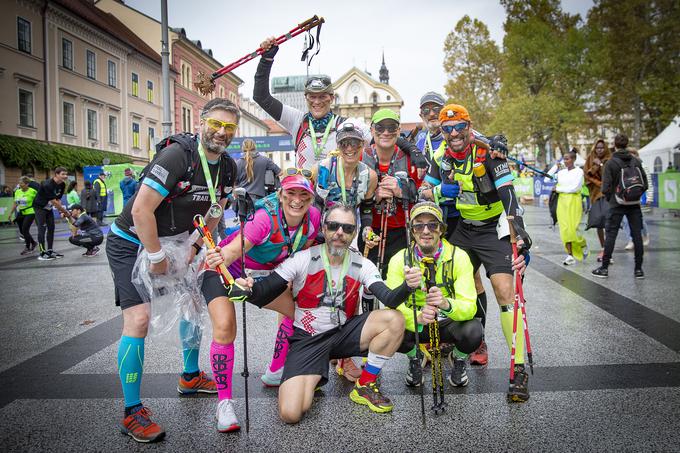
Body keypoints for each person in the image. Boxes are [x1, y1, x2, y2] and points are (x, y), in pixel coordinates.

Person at [105, 98, 239, 443]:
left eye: (229, 127)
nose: (221, 133)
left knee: (192, 304)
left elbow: (215, 210)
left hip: (178, 241)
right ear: (201, 122)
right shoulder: (178, 155)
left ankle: (190, 376)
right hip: (132, 241)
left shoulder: (228, 166)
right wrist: (155, 257)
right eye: (216, 124)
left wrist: (193, 248)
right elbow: (140, 211)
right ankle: (132, 412)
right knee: (138, 320)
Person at [224, 204, 424, 423]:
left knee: (394, 320)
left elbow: (390, 299)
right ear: (324, 228)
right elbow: (268, 288)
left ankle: (365, 385)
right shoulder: (302, 258)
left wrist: (407, 286)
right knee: (291, 414)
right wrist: (248, 289)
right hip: (308, 340)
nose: (339, 232)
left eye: (347, 228)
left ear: (354, 233)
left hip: (343, 333)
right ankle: (314, 375)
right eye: (334, 226)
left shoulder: (362, 264)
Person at [419, 104, 531, 402]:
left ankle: (518, 368)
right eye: (447, 128)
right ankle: (466, 345)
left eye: (460, 127)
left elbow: (508, 193)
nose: (454, 134)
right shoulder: (440, 156)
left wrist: (517, 230)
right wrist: (442, 192)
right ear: (442, 131)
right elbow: (424, 193)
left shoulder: (488, 152)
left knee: (503, 289)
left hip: (493, 228)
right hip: (464, 229)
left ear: (469, 126)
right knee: (456, 284)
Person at [201, 172, 321, 431]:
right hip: (227, 269)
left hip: (265, 274)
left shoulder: (313, 218)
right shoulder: (264, 219)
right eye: (290, 194)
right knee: (224, 328)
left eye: (304, 195)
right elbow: (231, 254)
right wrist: (237, 282)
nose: (297, 201)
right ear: (280, 195)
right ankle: (224, 405)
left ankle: (276, 371)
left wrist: (290, 279)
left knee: (298, 313)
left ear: (312, 199)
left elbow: (301, 251)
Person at [253, 37, 421, 171]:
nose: (317, 101)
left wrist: (412, 149)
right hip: (304, 200)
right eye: (312, 97)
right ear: (306, 98)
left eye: (322, 96)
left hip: (337, 201)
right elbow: (261, 97)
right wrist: (266, 60)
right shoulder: (297, 120)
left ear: (332, 98)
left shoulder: (346, 125)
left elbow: (381, 137)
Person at [386, 202, 481, 387]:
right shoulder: (399, 259)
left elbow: (470, 305)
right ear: (412, 231)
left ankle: (458, 358)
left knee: (474, 330)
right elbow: (391, 304)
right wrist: (417, 318)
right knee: (388, 326)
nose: (426, 231)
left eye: (432, 225)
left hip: (447, 321)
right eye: (419, 225)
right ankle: (416, 356)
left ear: (441, 229)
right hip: (417, 323)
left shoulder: (459, 257)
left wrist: (447, 304)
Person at [313, 119, 379, 381]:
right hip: (325, 236)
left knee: (349, 295)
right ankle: (319, 353)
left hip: (350, 237)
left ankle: (345, 357)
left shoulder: (369, 175)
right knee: (321, 295)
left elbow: (367, 210)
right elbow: (316, 206)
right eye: (344, 143)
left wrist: (367, 233)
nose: (349, 147)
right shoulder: (324, 168)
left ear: (362, 144)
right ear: (338, 145)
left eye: (354, 142)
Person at [592, 134, 648, 279]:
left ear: (615, 145)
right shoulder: (635, 161)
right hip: (634, 203)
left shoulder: (611, 163)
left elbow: (605, 188)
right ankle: (638, 269)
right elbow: (645, 183)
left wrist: (613, 198)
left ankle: (604, 268)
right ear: (627, 144)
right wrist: (635, 195)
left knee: (611, 235)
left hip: (617, 203)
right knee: (637, 236)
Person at [549, 150, 587, 265]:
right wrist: (555, 167)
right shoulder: (561, 172)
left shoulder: (579, 171)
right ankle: (570, 255)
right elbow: (546, 178)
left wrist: (558, 189)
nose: (565, 161)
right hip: (562, 202)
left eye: (567, 159)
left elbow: (575, 188)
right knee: (565, 230)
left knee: (573, 229)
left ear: (573, 159)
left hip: (574, 201)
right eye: (564, 159)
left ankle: (582, 244)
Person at [33, 167, 70, 261]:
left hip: (48, 208)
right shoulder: (47, 184)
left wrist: (61, 211)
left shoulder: (62, 184)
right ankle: (42, 253)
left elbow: (58, 199)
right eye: (63, 174)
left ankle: (50, 250)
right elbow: (54, 201)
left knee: (51, 228)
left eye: (66, 174)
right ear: (56, 174)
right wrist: (65, 212)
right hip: (40, 207)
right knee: (42, 229)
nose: (65, 176)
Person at [584, 139, 611, 261]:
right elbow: (587, 176)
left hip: (607, 193)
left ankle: (608, 250)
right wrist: (598, 181)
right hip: (595, 194)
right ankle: (603, 247)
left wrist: (600, 165)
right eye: (597, 148)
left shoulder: (609, 158)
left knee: (608, 221)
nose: (599, 150)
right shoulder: (590, 158)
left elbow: (609, 175)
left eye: (601, 148)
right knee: (598, 221)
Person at [9, 176, 38, 255]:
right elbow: (15, 203)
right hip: (21, 212)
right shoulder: (17, 191)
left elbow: (39, 201)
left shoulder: (33, 191)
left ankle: (27, 248)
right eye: (19, 183)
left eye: (21, 183)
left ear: (27, 184)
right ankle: (33, 242)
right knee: (22, 231)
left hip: (30, 212)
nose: (20, 184)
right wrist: (10, 213)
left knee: (25, 229)